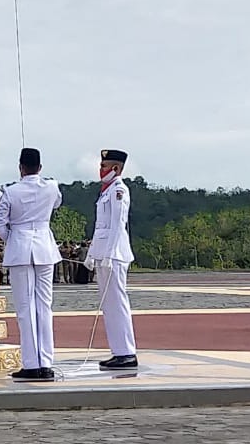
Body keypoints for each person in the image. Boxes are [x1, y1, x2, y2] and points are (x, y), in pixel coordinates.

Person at [0, 147, 63, 382]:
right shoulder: (52, 187)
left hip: (20, 247)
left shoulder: (10, 192)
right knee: (45, 307)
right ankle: (46, 362)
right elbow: (56, 204)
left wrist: (12, 239)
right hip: (44, 245)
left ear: (20, 168)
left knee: (25, 308)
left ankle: (31, 364)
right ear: (40, 168)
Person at [86, 148, 138, 370]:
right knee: (109, 305)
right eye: (101, 166)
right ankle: (119, 351)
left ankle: (126, 352)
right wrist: (92, 254)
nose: (101, 170)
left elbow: (118, 224)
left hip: (114, 254)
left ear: (116, 169)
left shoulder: (119, 191)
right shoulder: (106, 191)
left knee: (117, 303)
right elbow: (100, 228)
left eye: (105, 166)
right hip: (104, 253)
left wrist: (108, 253)